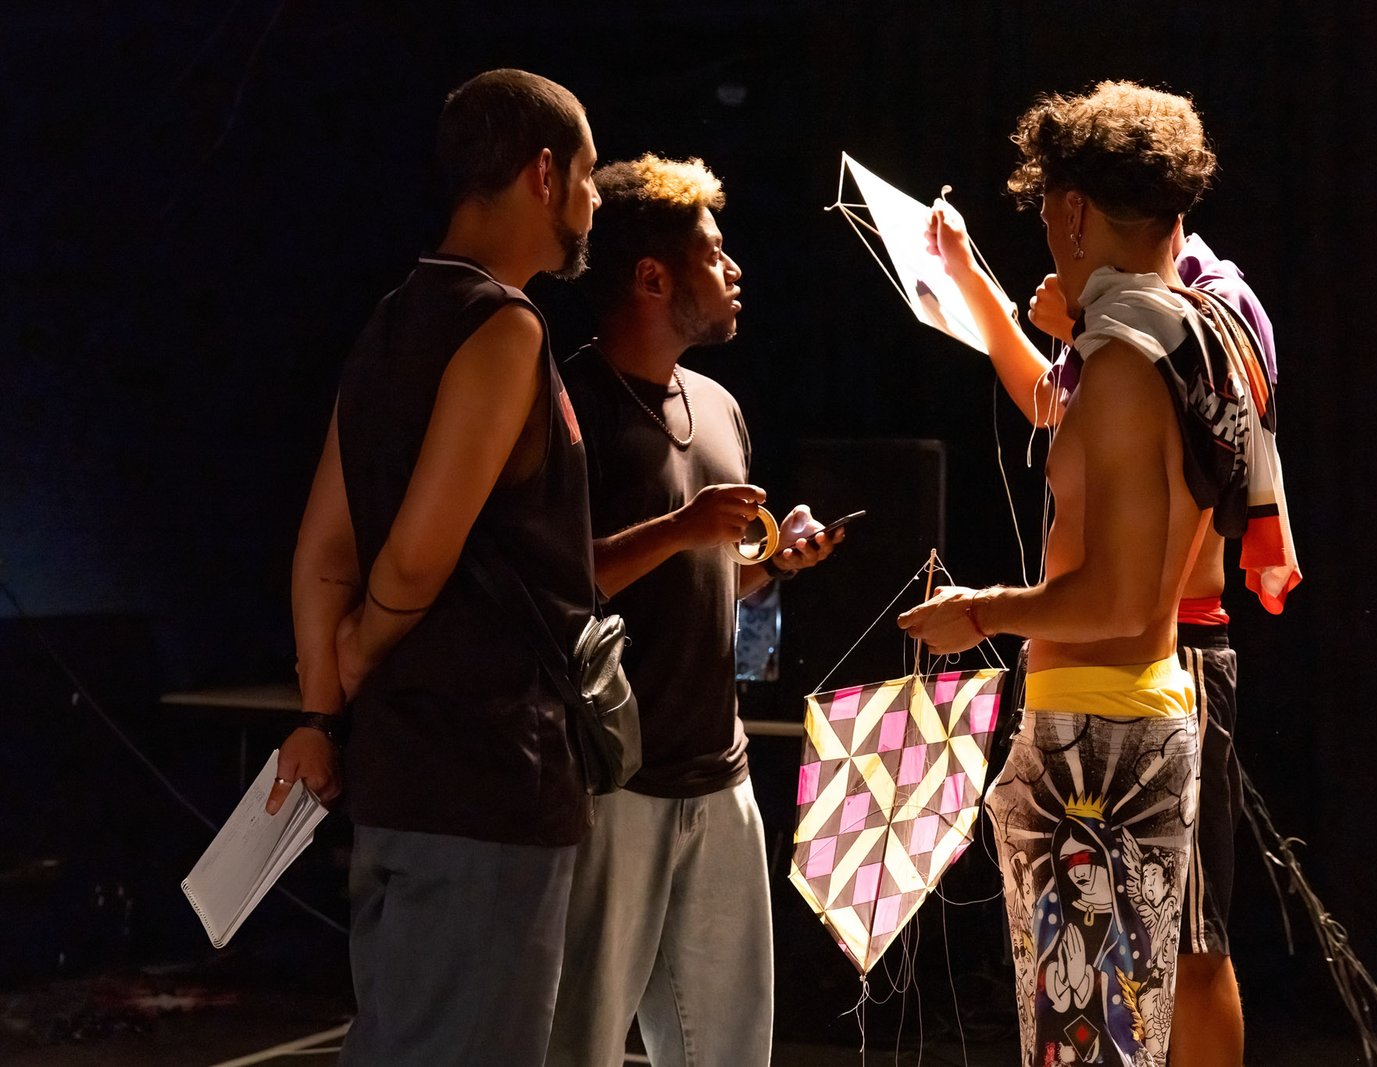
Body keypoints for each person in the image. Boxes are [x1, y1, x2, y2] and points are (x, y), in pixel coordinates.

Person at [900, 80, 1257, 1065]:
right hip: (1109, 722)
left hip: (1103, 737)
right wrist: (975, 288)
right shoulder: (1177, 339)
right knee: (1090, 1041)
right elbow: (1070, 429)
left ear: (1068, 211)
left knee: (1086, 1046)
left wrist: (980, 613)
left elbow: (1121, 598)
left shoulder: (1126, 359)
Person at [270, 69, 601, 1066]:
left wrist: (322, 713)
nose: (592, 202)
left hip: (398, 779)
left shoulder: (384, 326)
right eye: (587, 174)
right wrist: (364, 645)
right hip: (489, 777)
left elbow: (322, 547)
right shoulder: (504, 326)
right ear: (543, 173)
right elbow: (413, 552)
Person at [546, 153, 839, 1067]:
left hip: (723, 778)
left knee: (726, 1049)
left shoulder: (717, 405)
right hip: (616, 788)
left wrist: (771, 568)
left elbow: (705, 581)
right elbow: (556, 581)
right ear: (650, 276)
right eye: (715, 255)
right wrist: (680, 528)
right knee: (580, 1043)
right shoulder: (568, 403)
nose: (735, 271)